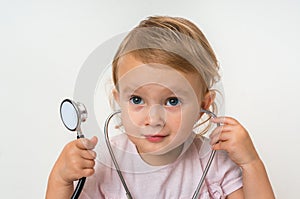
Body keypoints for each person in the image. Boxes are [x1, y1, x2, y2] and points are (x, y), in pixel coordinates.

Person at [46, 16, 275, 199]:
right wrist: (60, 180)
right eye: (137, 100)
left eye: (172, 101)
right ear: (118, 100)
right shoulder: (105, 162)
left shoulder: (213, 163)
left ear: (203, 106)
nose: (153, 120)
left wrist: (251, 164)